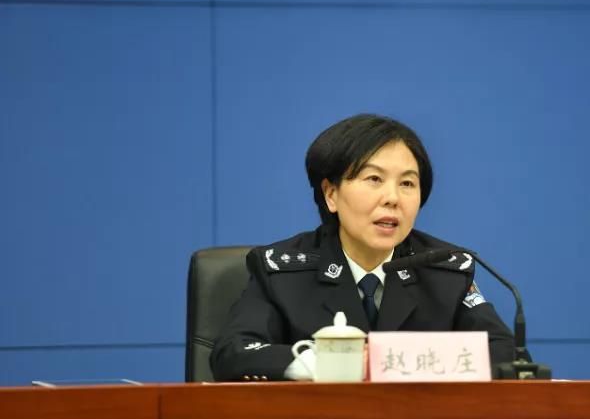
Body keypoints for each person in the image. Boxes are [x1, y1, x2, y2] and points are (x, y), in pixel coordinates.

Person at [210, 114, 516, 381]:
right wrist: (327, 363)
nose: (392, 198)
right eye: (374, 179)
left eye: (407, 183)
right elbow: (234, 352)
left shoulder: (444, 268)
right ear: (331, 194)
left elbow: (504, 353)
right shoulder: (282, 271)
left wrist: (394, 361)